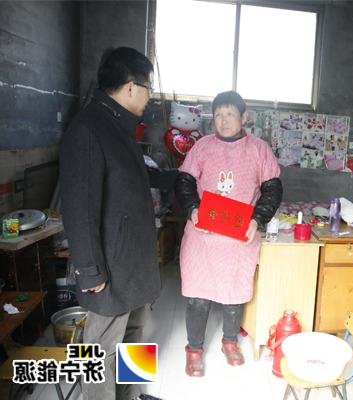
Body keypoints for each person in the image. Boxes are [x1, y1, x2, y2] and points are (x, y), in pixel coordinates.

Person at [60, 46, 178, 400]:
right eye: (148, 88)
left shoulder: (118, 125)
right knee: (99, 347)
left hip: (132, 262)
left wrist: (178, 177)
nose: (149, 97)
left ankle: (129, 395)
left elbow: (138, 172)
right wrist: (88, 269)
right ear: (130, 87)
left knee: (134, 334)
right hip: (108, 266)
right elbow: (78, 208)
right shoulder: (89, 129)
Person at [174, 90, 282, 377]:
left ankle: (229, 343)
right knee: (198, 296)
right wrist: (192, 208)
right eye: (218, 115)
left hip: (239, 237)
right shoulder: (202, 147)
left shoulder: (259, 150)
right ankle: (194, 350)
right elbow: (184, 181)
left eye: (230, 114)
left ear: (244, 117)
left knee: (235, 294)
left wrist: (258, 219)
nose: (223, 121)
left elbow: (272, 189)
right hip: (202, 237)